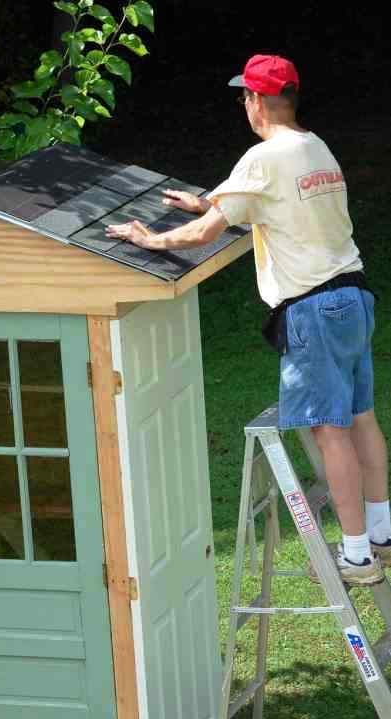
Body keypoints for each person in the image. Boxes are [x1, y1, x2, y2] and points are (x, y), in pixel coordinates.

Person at [106, 53, 390, 586]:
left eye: (245, 97)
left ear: (256, 101)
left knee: (331, 434)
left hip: (313, 308)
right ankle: (381, 532)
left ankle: (356, 558)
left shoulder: (264, 156)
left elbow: (203, 235)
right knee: (362, 420)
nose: (245, 106)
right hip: (354, 297)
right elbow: (255, 201)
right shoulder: (315, 147)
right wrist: (207, 202)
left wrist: (152, 239)